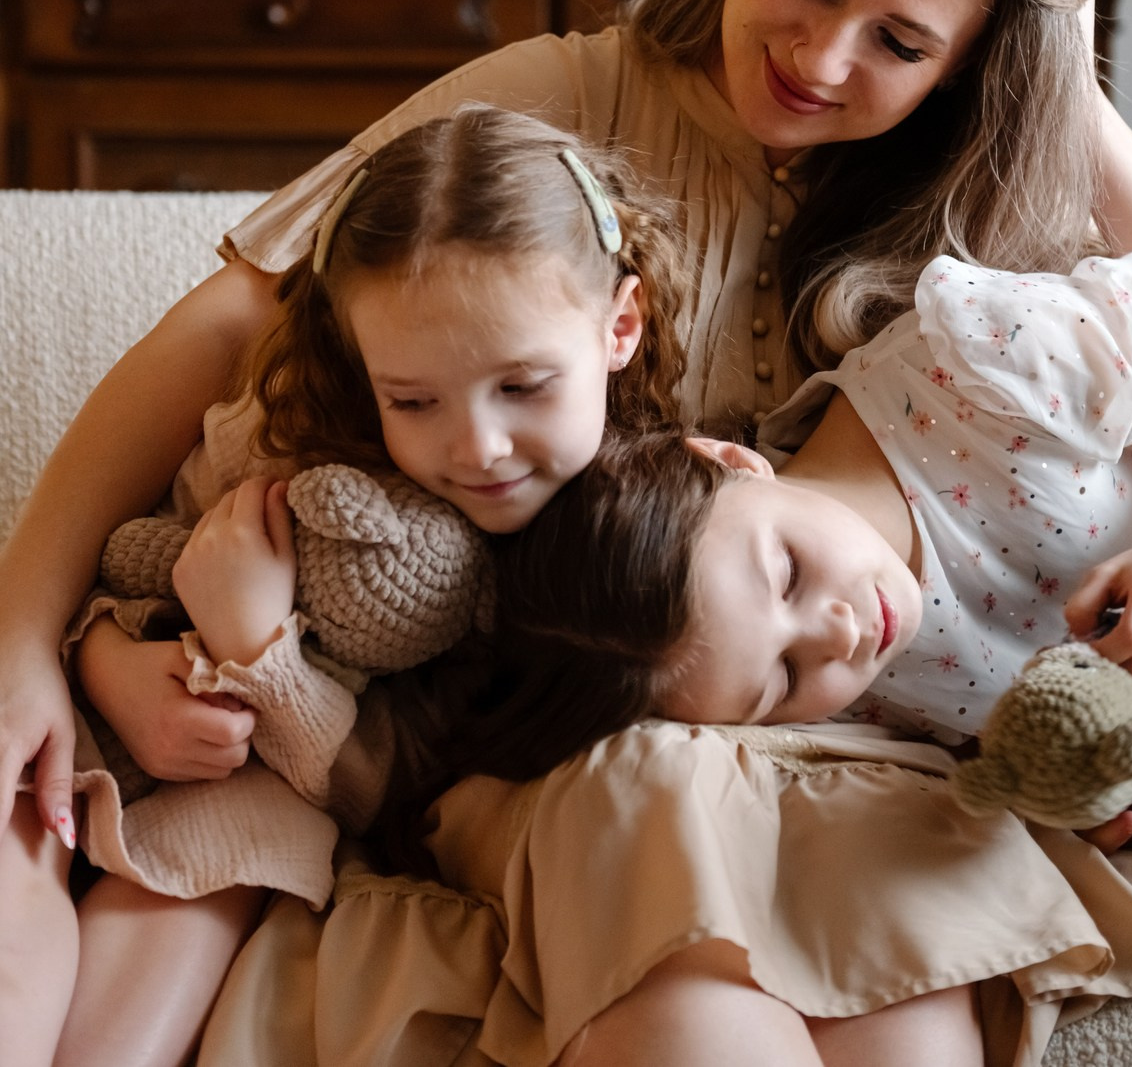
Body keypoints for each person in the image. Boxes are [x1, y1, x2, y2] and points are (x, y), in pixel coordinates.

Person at [5, 0, 1132, 1067]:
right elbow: (233, 320)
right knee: (644, 817)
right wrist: (22, 635)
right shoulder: (563, 101)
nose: (820, 56)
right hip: (583, 738)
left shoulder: (990, 202)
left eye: (903, 42)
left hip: (852, 755)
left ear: (971, 63)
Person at [1, 104, 689, 1067]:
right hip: (94, 716)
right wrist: (106, 660)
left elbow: (393, 783)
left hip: (256, 795)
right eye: (413, 399)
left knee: (202, 888)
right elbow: (128, 557)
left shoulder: (616, 543)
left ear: (620, 326)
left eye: (523, 387)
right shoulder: (289, 439)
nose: (477, 447)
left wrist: (260, 655)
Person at [477, 249, 1132, 861]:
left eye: (787, 574)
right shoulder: (851, 710)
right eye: (784, 678)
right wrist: (1083, 805)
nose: (838, 636)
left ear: (730, 460)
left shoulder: (980, 367)